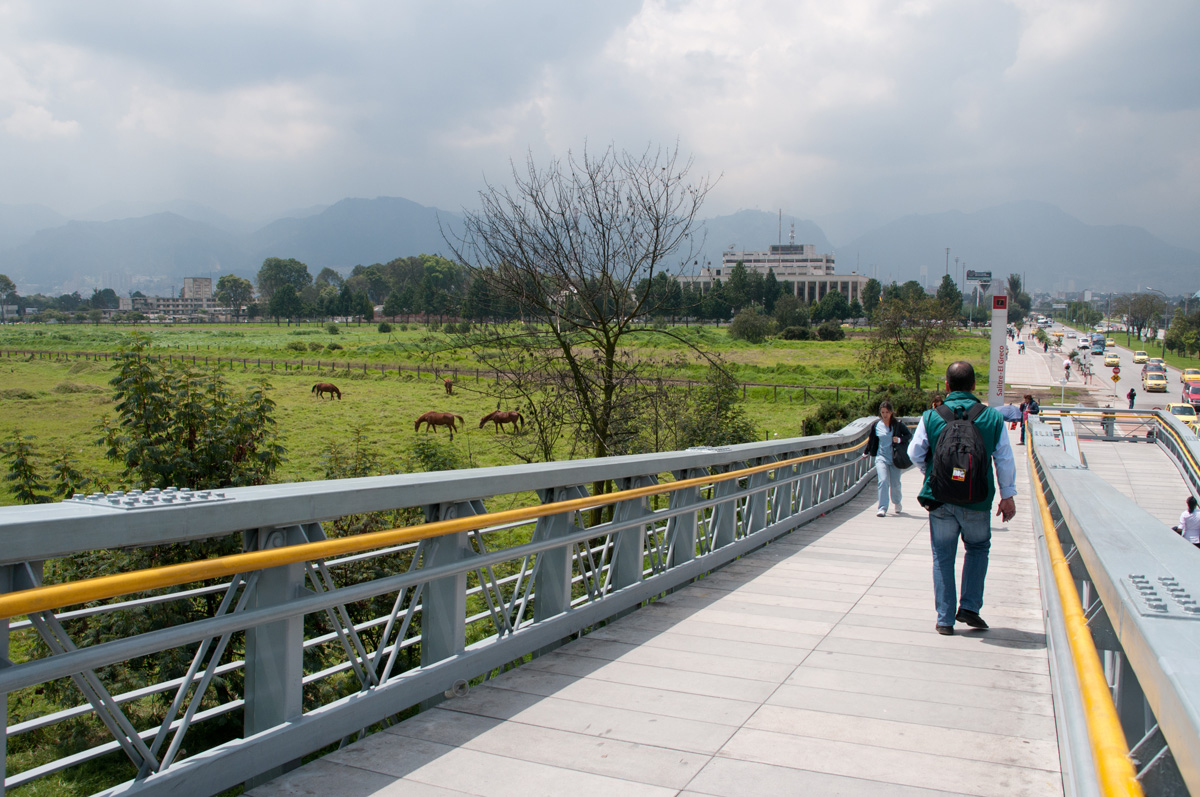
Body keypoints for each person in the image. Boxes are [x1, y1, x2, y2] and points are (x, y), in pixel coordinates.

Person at [908, 361, 1017, 635]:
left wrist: (931, 472)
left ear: (946, 386)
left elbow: (914, 453)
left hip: (941, 498)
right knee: (978, 549)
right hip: (977, 500)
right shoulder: (992, 417)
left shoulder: (932, 416)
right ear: (973, 386)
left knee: (943, 556)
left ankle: (944, 619)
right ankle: (969, 607)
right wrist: (1008, 495)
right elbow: (1003, 458)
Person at [865, 400, 912, 517]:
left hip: (895, 459)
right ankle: (882, 507)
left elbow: (909, 435)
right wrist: (866, 452)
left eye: (887, 412)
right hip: (881, 458)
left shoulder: (898, 424)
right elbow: (872, 440)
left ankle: (897, 502)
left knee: (895, 484)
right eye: (882, 412)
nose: (884, 415)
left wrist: (899, 440)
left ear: (891, 412)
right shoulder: (876, 426)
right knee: (883, 480)